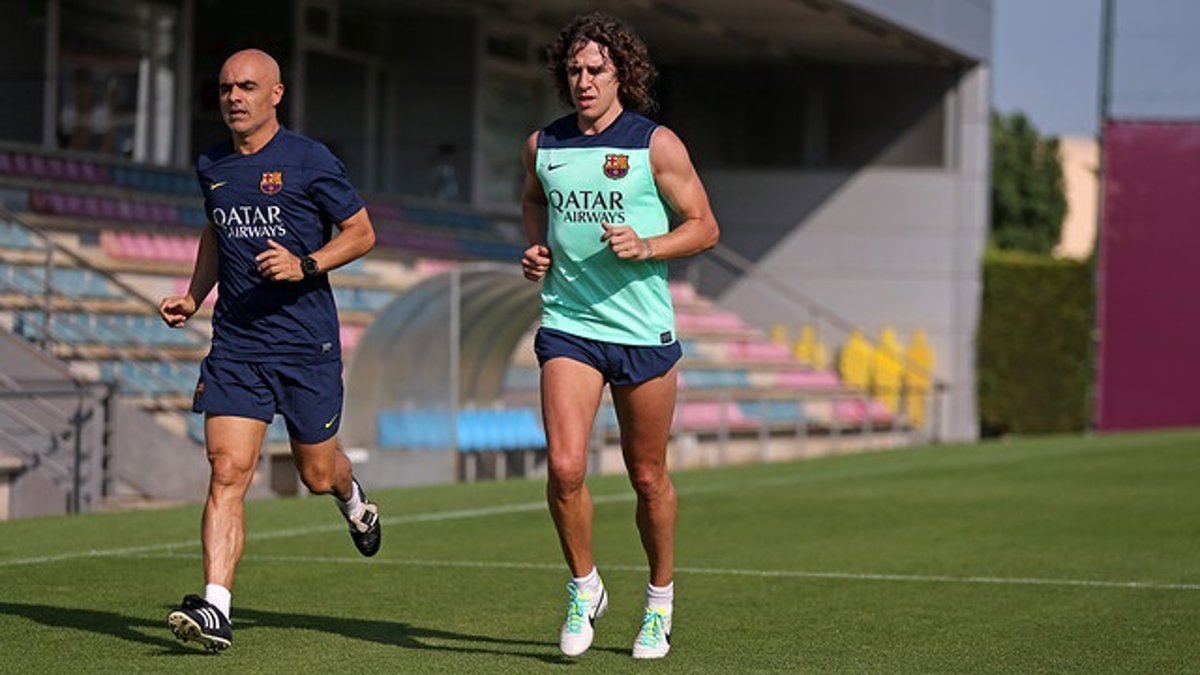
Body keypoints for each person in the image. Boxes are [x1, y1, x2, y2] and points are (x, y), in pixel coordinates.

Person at [159, 48, 381, 653]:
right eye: (225, 87)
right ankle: (217, 607)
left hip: (306, 347)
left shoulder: (310, 160)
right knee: (227, 471)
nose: (234, 97)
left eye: (248, 86)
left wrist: (306, 263)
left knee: (317, 473)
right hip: (236, 346)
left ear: (276, 94)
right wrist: (194, 295)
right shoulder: (212, 164)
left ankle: (354, 499)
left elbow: (362, 232)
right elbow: (215, 230)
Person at [520, 13, 720, 660]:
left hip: (641, 331)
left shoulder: (655, 145)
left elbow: (705, 226)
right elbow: (533, 200)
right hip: (569, 326)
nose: (583, 80)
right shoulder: (543, 145)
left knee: (648, 476)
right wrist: (535, 247)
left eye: (596, 70)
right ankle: (585, 587)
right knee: (564, 467)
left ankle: (659, 601)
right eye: (574, 70)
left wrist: (648, 245)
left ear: (621, 75)